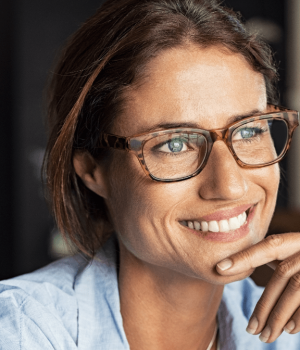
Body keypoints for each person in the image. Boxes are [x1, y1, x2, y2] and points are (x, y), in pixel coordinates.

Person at [0, 0, 299, 349]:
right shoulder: (22, 332)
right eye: (174, 144)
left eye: (249, 131)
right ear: (92, 170)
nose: (230, 186)